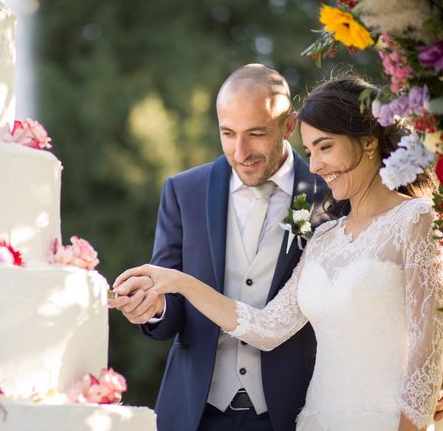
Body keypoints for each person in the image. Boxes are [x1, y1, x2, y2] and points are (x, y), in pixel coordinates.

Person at [112, 76, 443, 430]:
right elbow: (267, 326)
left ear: (368, 141)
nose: (314, 165)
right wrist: (176, 284)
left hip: (355, 417)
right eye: (228, 133)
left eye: (325, 147)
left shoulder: (403, 216)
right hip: (305, 418)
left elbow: (429, 340)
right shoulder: (324, 237)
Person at [110, 63, 330, 431]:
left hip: (291, 411)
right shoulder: (184, 191)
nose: (240, 151)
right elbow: (171, 304)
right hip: (195, 412)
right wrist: (153, 307)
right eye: (228, 133)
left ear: (289, 126)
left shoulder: (327, 192)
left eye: (256, 134)